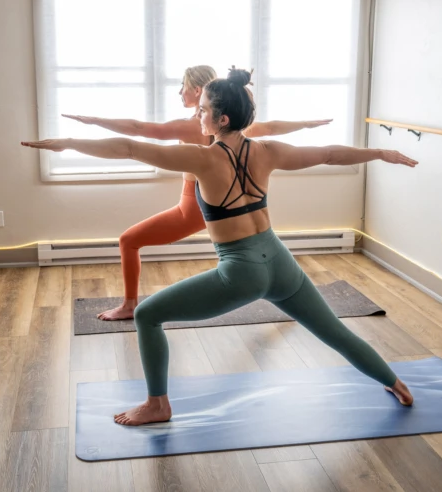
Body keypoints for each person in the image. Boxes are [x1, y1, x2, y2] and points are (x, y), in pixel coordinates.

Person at [21, 68, 418, 426]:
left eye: (204, 110)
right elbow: (330, 154)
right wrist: (379, 152)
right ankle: (395, 383)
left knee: (147, 315)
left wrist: (66, 144)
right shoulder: (268, 150)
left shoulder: (203, 159)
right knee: (333, 331)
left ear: (221, 118)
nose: (199, 116)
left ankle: (157, 404)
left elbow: (128, 147)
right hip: (280, 262)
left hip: (241, 272)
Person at [62, 65, 331, 321]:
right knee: (253, 258)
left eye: (184, 85)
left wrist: (94, 121)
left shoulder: (189, 126)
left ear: (199, 90)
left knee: (128, 240)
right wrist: (305, 124)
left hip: (194, 210)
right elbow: (270, 127)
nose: (180, 91)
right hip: (229, 207)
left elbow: (137, 130)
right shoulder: (234, 124)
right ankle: (286, 296)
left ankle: (129, 305)